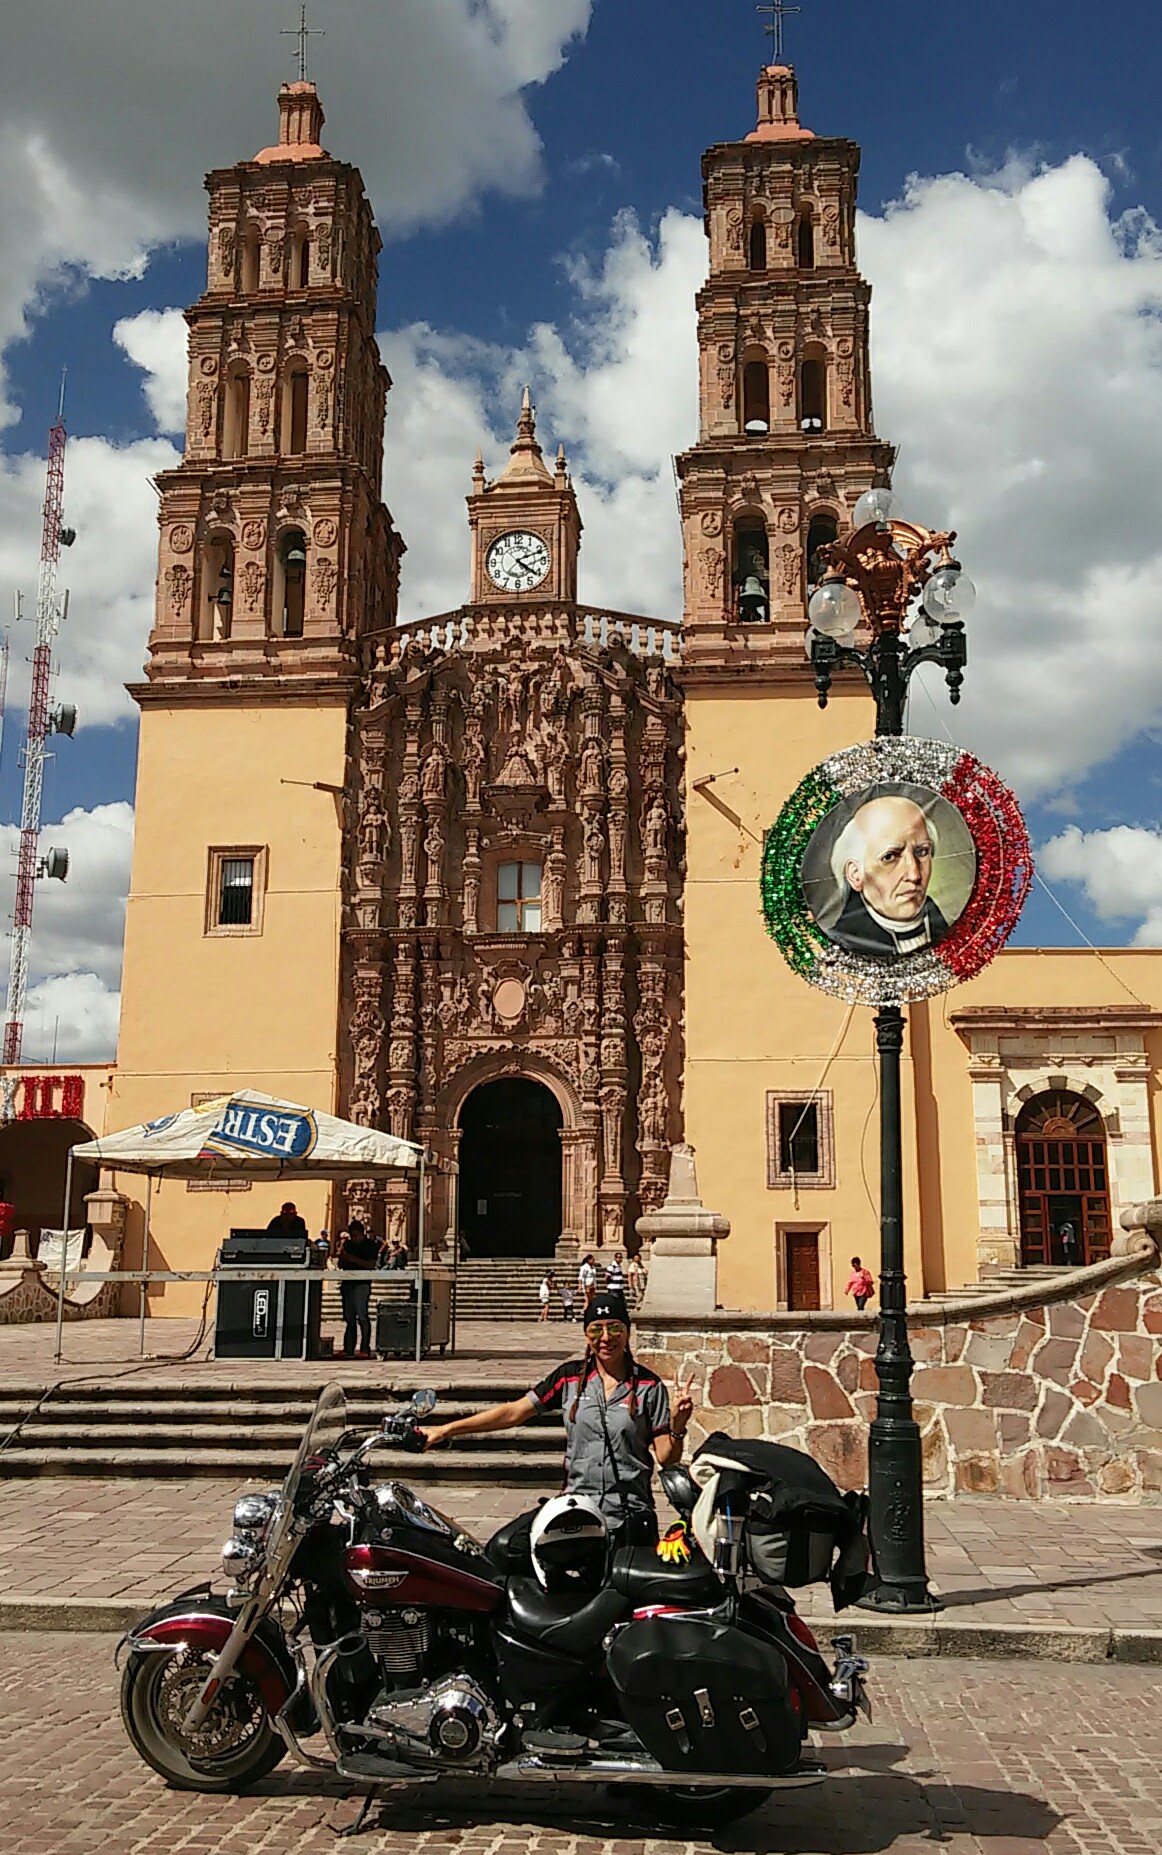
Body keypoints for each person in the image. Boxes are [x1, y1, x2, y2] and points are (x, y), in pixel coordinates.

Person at [421, 1293, 695, 1546]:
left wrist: (678, 1425)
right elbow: (514, 1412)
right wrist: (446, 1430)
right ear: (586, 1335)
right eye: (596, 1329)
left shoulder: (649, 1386)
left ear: (627, 1332)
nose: (606, 1338)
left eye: (615, 1328)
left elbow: (666, 1457)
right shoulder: (569, 1378)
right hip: (579, 1513)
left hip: (629, 1517)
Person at [827, 795, 949, 959]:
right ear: (856, 874)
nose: (914, 875)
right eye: (890, 857)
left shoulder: (948, 928)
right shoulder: (842, 946)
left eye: (922, 852)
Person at [335, 1218, 381, 1359]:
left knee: (362, 1316)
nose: (354, 1239)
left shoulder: (370, 1245)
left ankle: (365, 1348)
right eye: (352, 1236)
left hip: (362, 1284)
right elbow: (341, 1264)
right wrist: (342, 1253)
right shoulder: (348, 1245)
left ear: (362, 1234)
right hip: (348, 1283)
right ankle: (348, 1348)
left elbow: (371, 1265)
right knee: (349, 1318)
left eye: (356, 1236)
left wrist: (353, 1259)